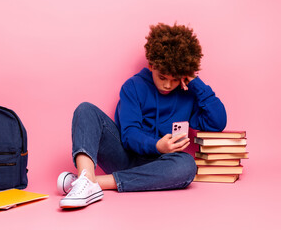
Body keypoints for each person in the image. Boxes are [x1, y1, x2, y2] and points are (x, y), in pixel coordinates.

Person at [57, 23, 227, 208]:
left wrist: (196, 83)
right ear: (152, 65)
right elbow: (129, 134)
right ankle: (85, 178)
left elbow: (217, 122)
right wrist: (158, 145)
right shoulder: (134, 86)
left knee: (187, 166)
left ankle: (93, 182)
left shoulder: (187, 94)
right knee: (85, 109)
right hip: (124, 157)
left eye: (175, 80)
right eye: (162, 77)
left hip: (159, 166)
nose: (168, 85)